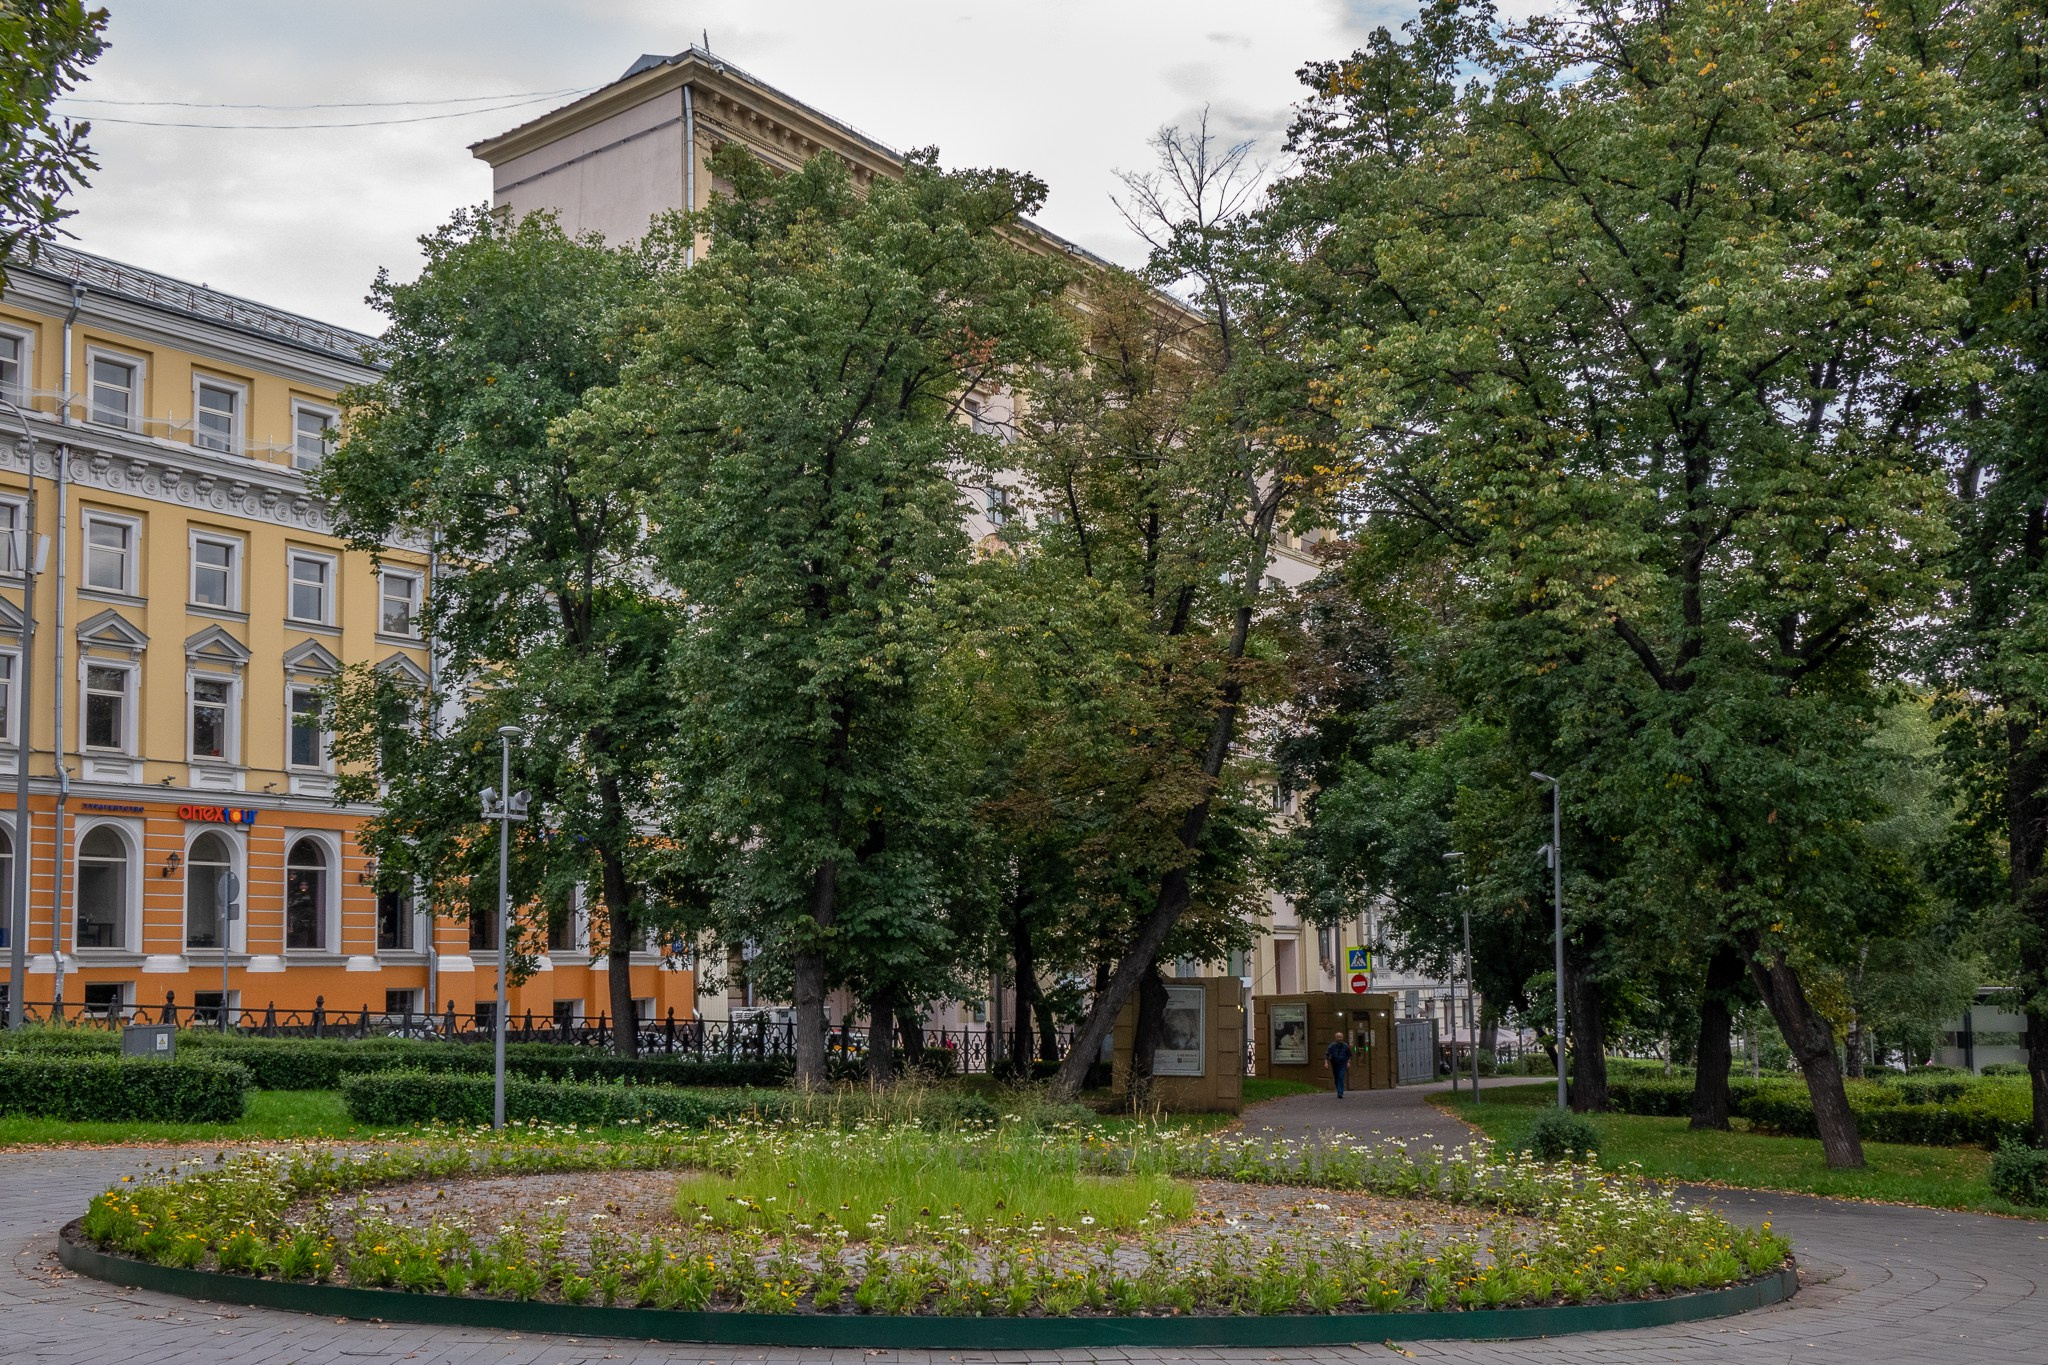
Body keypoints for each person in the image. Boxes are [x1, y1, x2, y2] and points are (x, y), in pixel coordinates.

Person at [1325, 1030, 1354, 1098]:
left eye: (1341, 1037)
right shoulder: (1332, 1045)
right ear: (1336, 1038)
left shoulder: (1346, 1046)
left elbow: (1350, 1055)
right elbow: (1327, 1054)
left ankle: (1340, 1093)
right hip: (1334, 1064)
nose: (1339, 1038)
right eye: (1338, 1037)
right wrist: (1326, 1063)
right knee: (1336, 1078)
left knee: (1341, 1077)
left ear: (1342, 1037)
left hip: (1343, 1064)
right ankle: (1339, 1090)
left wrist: (1348, 1062)